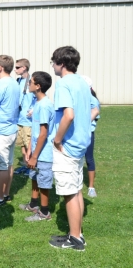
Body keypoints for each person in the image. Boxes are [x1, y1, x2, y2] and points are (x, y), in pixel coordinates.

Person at [48, 46, 92, 251]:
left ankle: (75, 239)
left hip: (68, 145)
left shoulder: (63, 83)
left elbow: (69, 115)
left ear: (61, 64)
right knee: (76, 189)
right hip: (81, 142)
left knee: (69, 192)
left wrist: (57, 140)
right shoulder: (82, 82)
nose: (53, 66)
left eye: (53, 62)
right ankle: (77, 234)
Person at [18, 71, 55, 221]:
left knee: (43, 181)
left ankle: (44, 213)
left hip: (44, 153)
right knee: (34, 176)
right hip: (36, 150)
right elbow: (35, 130)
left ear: (38, 86)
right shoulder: (37, 103)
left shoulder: (45, 106)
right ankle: (34, 204)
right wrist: (29, 151)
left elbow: (43, 134)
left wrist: (34, 156)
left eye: (31, 82)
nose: (28, 84)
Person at [0, 55, 20, 206]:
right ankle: (5, 193)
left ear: (0, 67)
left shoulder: (0, 84)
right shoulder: (14, 83)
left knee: (1, 165)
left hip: (1, 130)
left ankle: (0, 198)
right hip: (12, 129)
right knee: (8, 164)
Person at [14, 59, 36, 176]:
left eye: (17, 67)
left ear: (24, 68)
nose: (15, 69)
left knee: (29, 145)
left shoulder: (32, 81)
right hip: (18, 119)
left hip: (28, 121)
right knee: (22, 144)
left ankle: (32, 167)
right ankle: (25, 165)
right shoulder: (18, 81)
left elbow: (40, 97)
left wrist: (34, 109)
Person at [82, 75, 100, 198]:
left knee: (89, 159)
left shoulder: (93, 100)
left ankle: (91, 187)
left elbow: (94, 116)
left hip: (87, 133)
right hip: (77, 133)